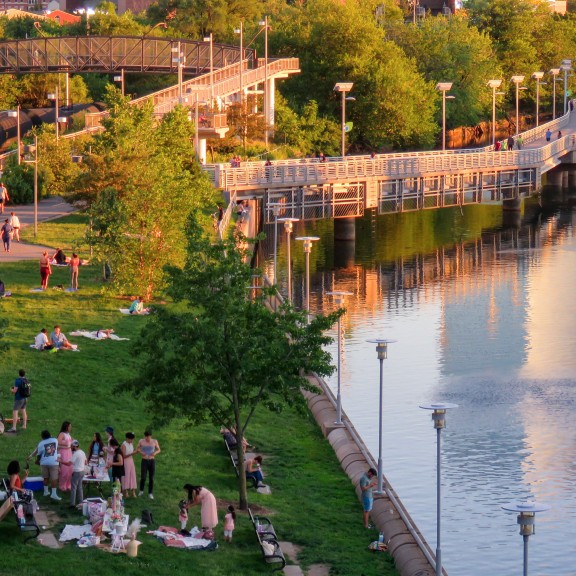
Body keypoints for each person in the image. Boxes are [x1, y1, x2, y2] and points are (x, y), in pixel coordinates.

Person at [27, 429, 61, 501]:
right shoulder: (55, 440)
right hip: (53, 462)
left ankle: (46, 492)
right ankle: (53, 494)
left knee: (45, 477)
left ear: (42, 437)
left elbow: (38, 455)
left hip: (44, 462)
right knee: (54, 478)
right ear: (50, 435)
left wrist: (37, 461)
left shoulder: (41, 443)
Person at [136, 430, 161, 499]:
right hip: (144, 460)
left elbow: (159, 449)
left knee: (151, 478)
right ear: (145, 436)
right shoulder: (141, 441)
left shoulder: (154, 441)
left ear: (151, 436)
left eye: (148, 437)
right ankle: (141, 490)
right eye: (146, 437)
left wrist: (154, 453)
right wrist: (141, 452)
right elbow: (137, 449)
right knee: (143, 477)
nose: (147, 438)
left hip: (152, 460)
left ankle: (150, 493)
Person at [70, 440, 86, 508]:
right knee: (80, 487)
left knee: (73, 488)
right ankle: (81, 502)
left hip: (77, 472)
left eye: (72, 446)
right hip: (82, 471)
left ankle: (72, 504)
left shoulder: (76, 454)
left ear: (74, 447)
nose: (71, 447)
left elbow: (70, 463)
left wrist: (60, 461)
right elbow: (86, 461)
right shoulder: (82, 452)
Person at [57, 421, 73, 491]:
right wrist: (66, 444)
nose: (70, 428)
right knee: (64, 470)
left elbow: (71, 441)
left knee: (70, 469)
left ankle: (68, 485)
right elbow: (57, 442)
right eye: (69, 426)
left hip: (69, 452)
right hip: (63, 452)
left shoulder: (68, 434)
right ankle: (62, 485)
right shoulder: (62, 434)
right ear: (66, 427)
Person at [121, 432, 137, 498]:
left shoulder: (131, 444)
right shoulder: (124, 445)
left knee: (133, 475)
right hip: (126, 461)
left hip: (131, 461)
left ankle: (133, 491)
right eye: (131, 439)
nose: (132, 440)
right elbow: (123, 456)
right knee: (126, 475)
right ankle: (126, 491)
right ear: (127, 438)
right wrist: (132, 453)